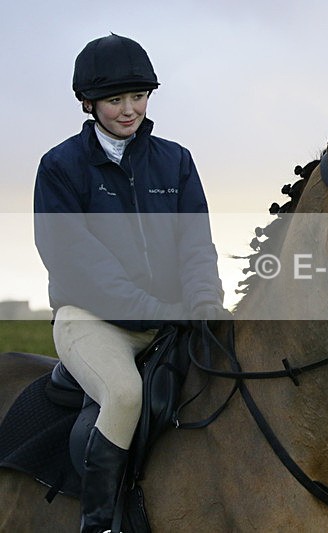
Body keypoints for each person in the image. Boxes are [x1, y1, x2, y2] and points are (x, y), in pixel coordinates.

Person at [33, 33, 226, 533]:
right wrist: (159, 309)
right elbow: (75, 263)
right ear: (88, 102)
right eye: (116, 99)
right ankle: (97, 523)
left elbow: (195, 245)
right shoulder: (59, 167)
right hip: (92, 320)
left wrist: (204, 300)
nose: (129, 110)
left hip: (170, 316)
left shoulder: (175, 160)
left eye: (138, 96)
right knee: (123, 395)